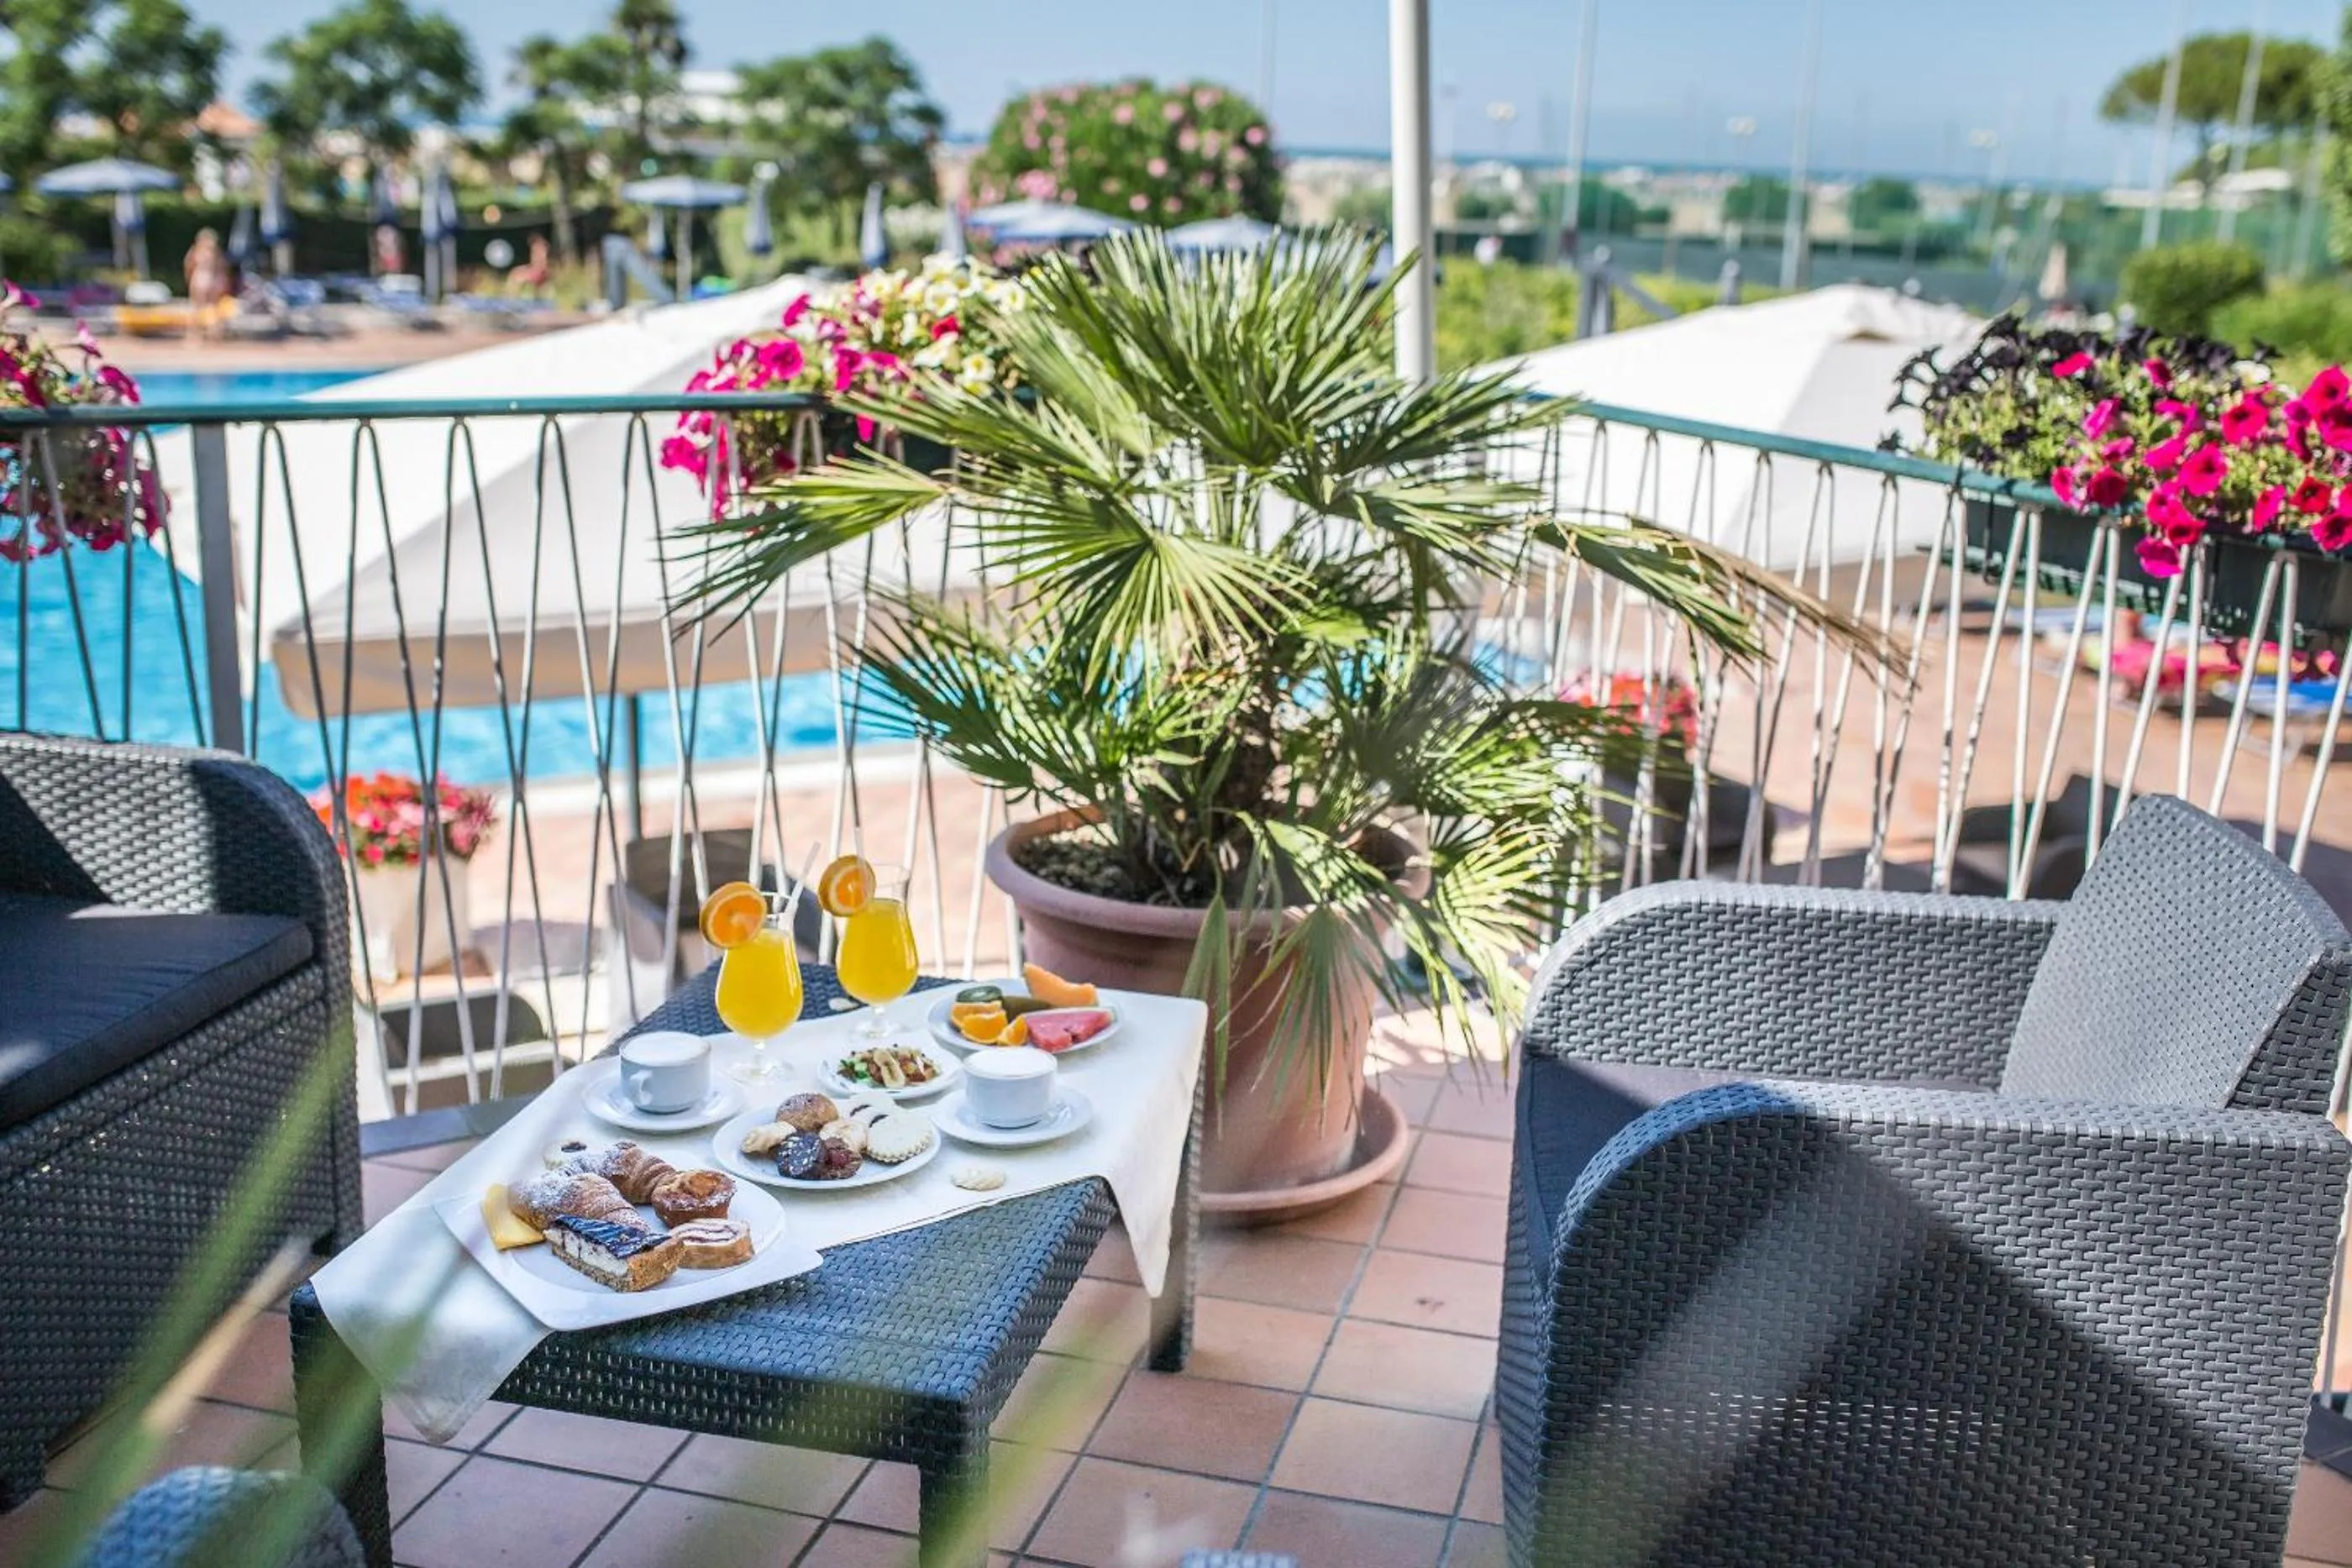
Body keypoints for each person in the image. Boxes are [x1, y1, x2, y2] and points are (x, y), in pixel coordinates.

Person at [183, 228, 229, 340]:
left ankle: (195, 334)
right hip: (214, 279)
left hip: (200, 278)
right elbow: (223, 267)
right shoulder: (216, 252)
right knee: (214, 307)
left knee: (197, 307)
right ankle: (215, 333)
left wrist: (189, 279)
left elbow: (189, 265)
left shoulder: (196, 251)